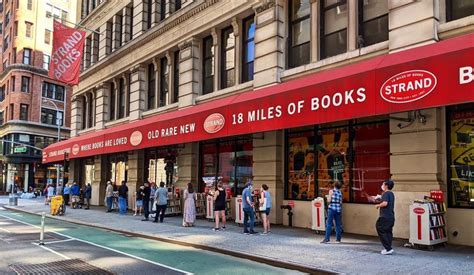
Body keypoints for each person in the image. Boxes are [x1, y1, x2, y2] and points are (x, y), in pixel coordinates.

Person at [374, 179, 396, 255]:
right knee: (388, 231)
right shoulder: (391, 194)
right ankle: (388, 248)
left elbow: (385, 203)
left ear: (386, 186)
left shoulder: (386, 194)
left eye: (383, 184)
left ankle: (388, 248)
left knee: (380, 228)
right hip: (391, 216)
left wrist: (378, 205)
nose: (382, 186)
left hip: (385, 216)